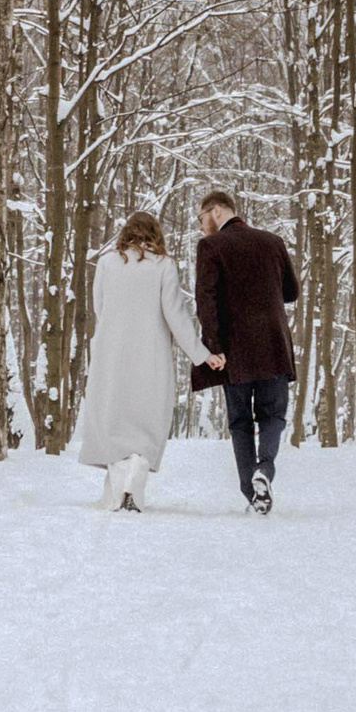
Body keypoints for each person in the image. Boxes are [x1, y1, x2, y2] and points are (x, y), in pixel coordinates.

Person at [74, 211, 223, 512]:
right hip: (150, 354)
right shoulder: (163, 266)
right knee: (146, 418)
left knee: (113, 415)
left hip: (111, 353)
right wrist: (202, 354)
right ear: (156, 235)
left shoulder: (106, 263)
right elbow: (176, 316)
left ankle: (115, 488)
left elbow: (99, 307)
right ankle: (137, 475)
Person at [191, 188, 300, 515]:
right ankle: (263, 471)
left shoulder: (210, 246)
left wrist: (214, 348)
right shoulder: (273, 241)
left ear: (218, 211)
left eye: (201, 218)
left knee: (240, 422)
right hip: (273, 346)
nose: (200, 226)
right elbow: (291, 292)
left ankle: (251, 493)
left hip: (234, 351)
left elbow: (205, 301)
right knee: (273, 417)